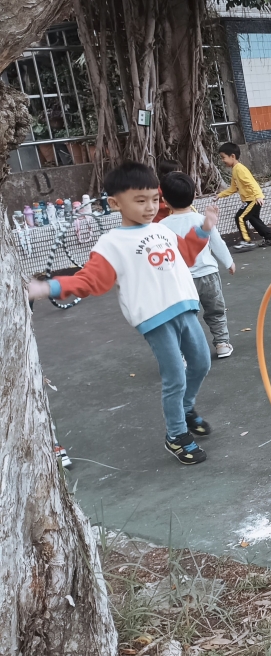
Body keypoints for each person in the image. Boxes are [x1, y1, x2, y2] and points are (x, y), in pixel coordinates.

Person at [27, 161, 219, 466]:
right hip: (154, 319)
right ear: (116, 203)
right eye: (140, 201)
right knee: (174, 377)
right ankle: (176, 434)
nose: (150, 207)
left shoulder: (162, 229)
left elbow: (185, 255)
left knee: (201, 363)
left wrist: (203, 230)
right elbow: (90, 280)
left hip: (185, 308)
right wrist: (49, 287)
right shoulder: (112, 243)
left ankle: (185, 409)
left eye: (154, 199)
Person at [160, 172, 237, 358]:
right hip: (208, 275)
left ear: (165, 201)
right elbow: (217, 243)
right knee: (216, 311)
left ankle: (185, 353)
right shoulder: (202, 220)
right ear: (194, 196)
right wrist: (229, 262)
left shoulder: (162, 226)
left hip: (181, 280)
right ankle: (222, 343)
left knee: (185, 318)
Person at [216, 142, 271, 252]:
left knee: (240, 217)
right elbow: (233, 188)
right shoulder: (235, 169)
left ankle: (246, 241)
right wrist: (219, 195)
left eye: (223, 157)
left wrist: (258, 196)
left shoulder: (240, 169)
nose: (222, 160)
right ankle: (270, 238)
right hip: (251, 200)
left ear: (232, 156)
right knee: (254, 219)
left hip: (252, 200)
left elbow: (252, 183)